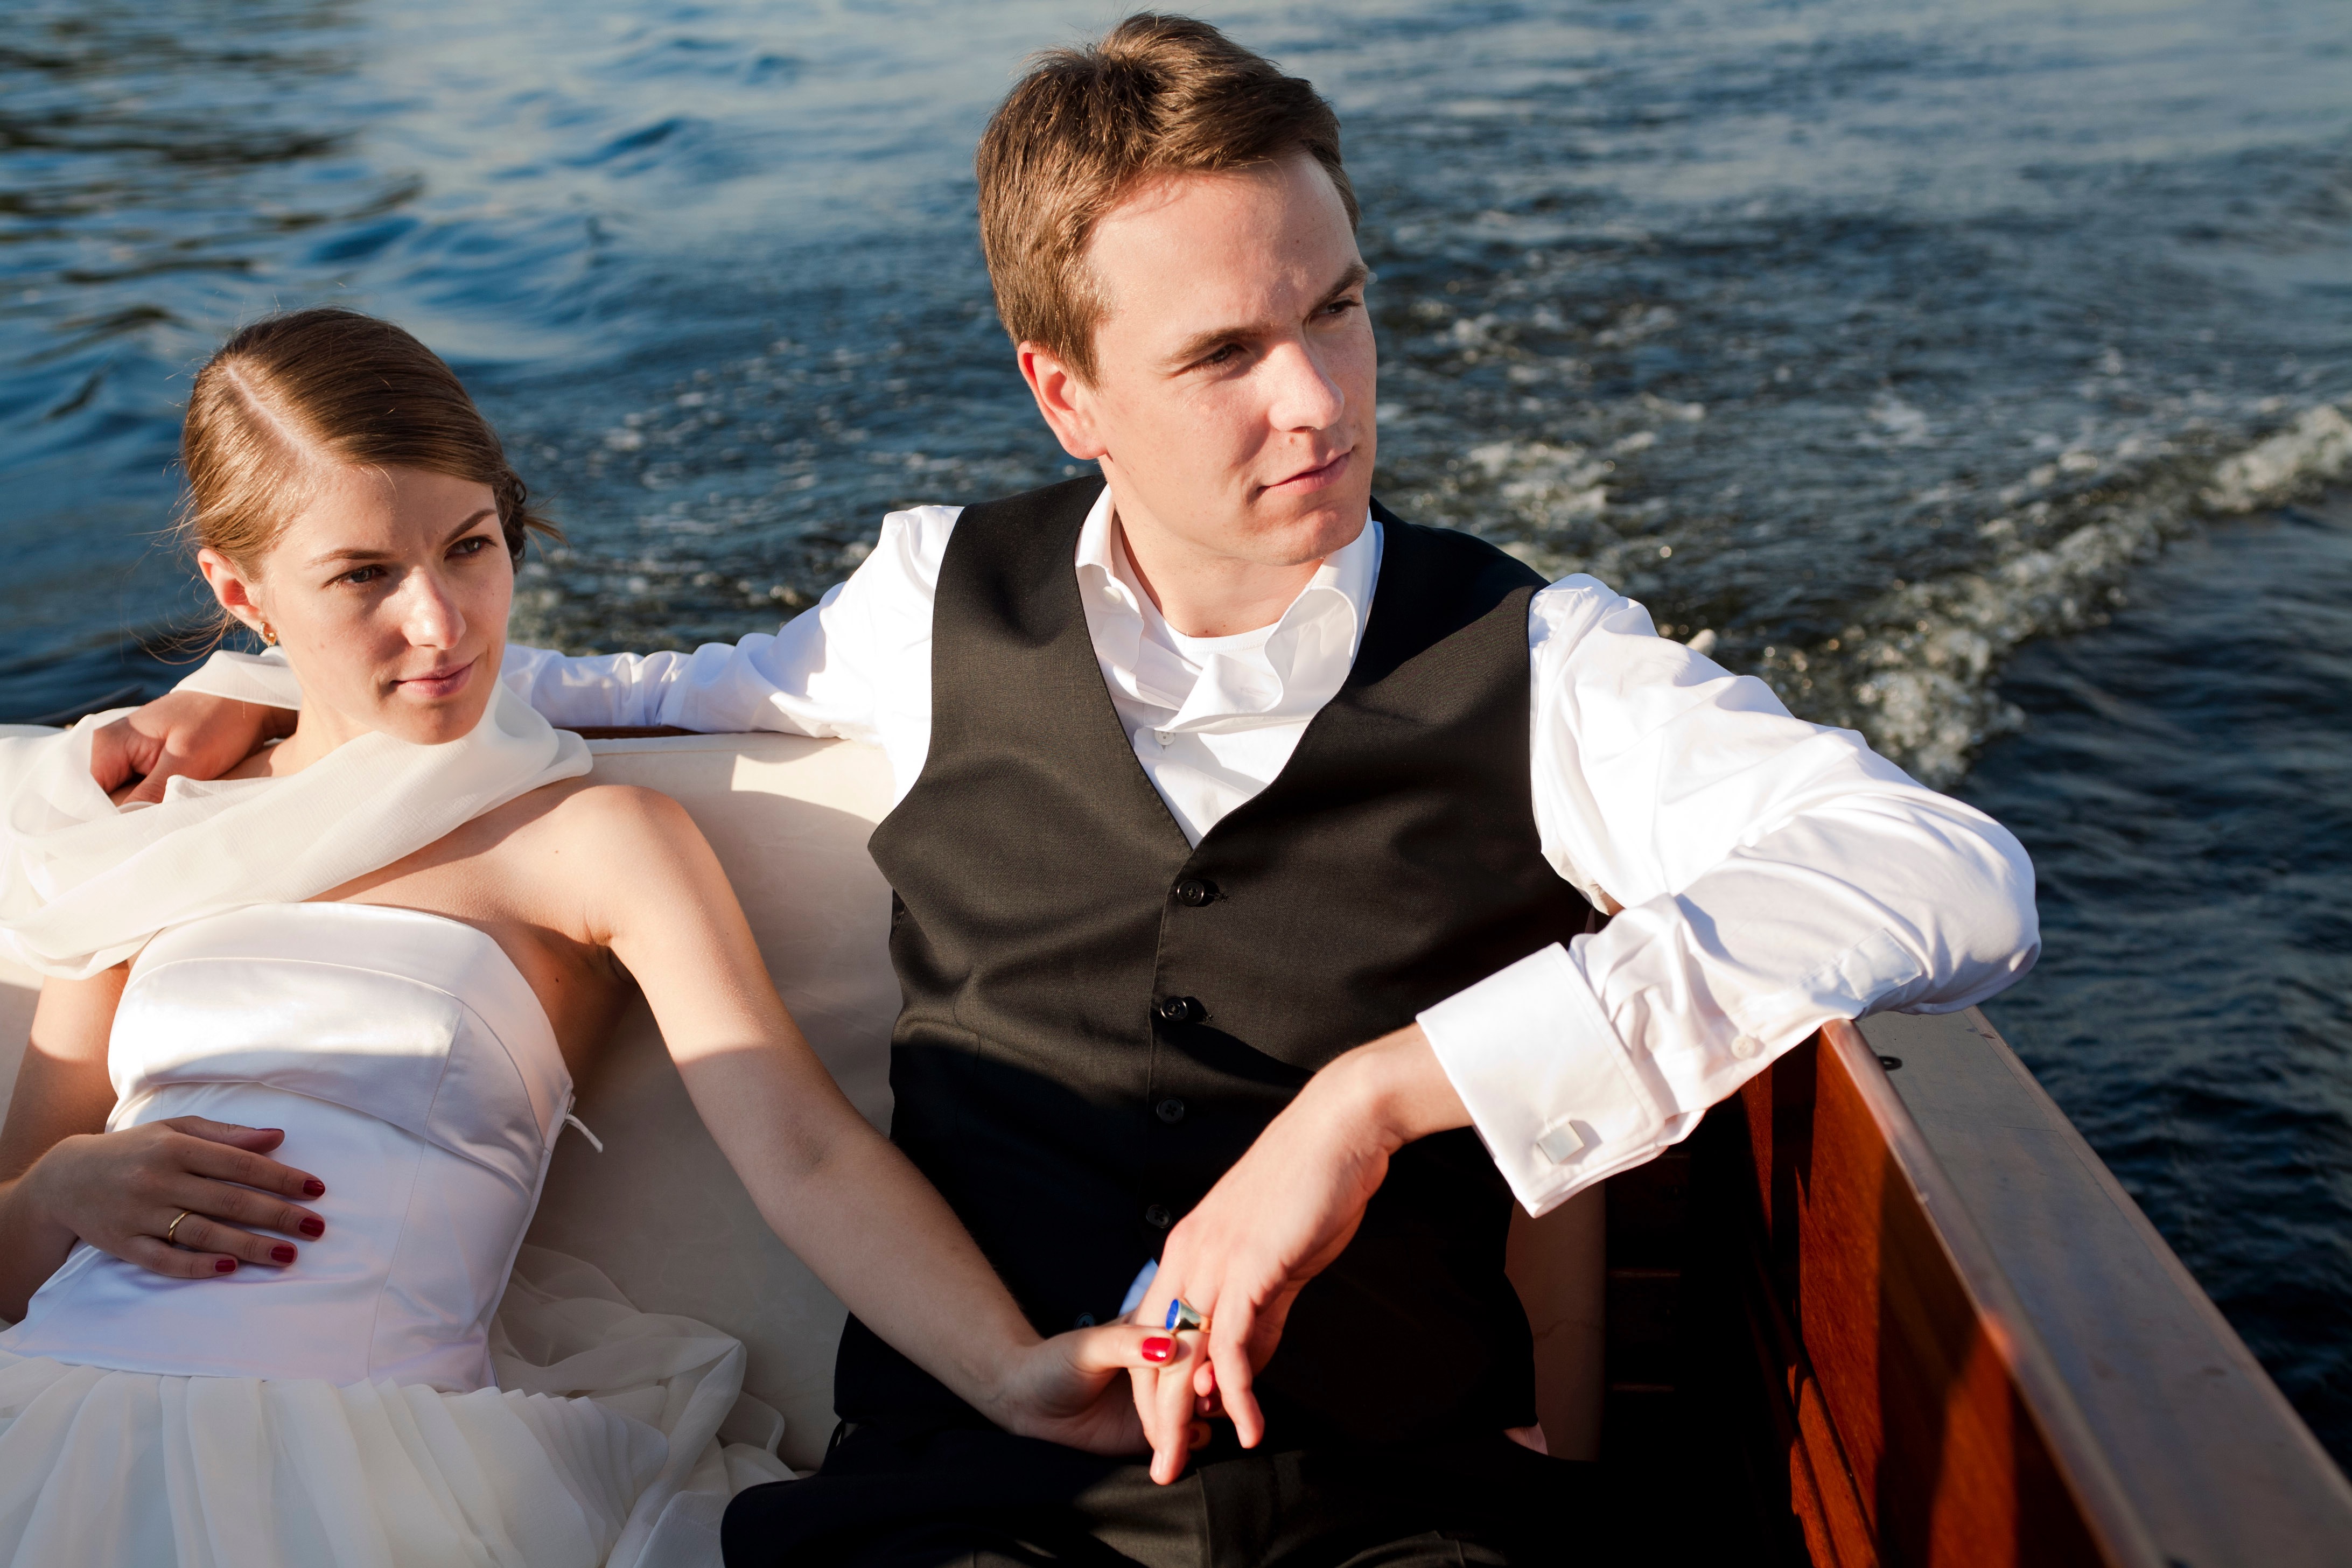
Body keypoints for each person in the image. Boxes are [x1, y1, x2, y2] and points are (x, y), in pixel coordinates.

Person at [102, 16, 2041, 1567]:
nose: (1319, 399)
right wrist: (257, 692)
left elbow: (1943, 872)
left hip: (1397, 1506)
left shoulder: (1542, 663)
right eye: (1226, 353)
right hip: (965, 1490)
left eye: (1338, 308)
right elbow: (622, 696)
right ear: (1065, 392)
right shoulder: (926, 604)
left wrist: (1370, 1101)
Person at [0, 309, 1198, 1568]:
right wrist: (58, 1191)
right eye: (362, 576)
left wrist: (1012, 1369)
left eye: (470, 547)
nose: (441, 624)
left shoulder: (588, 838)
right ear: (241, 593)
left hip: (365, 1465)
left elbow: (801, 1149)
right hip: (48, 1418)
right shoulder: (153, 830)